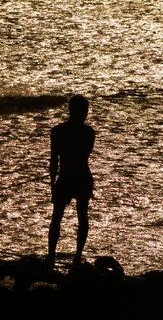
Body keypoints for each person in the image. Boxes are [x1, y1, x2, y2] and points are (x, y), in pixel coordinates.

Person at [47, 94, 95, 269]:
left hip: (66, 177)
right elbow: (83, 156)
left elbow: (54, 160)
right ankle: (76, 257)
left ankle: (52, 257)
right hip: (82, 176)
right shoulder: (89, 133)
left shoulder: (58, 131)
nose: (85, 114)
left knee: (57, 217)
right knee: (81, 217)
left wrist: (53, 183)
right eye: (84, 110)